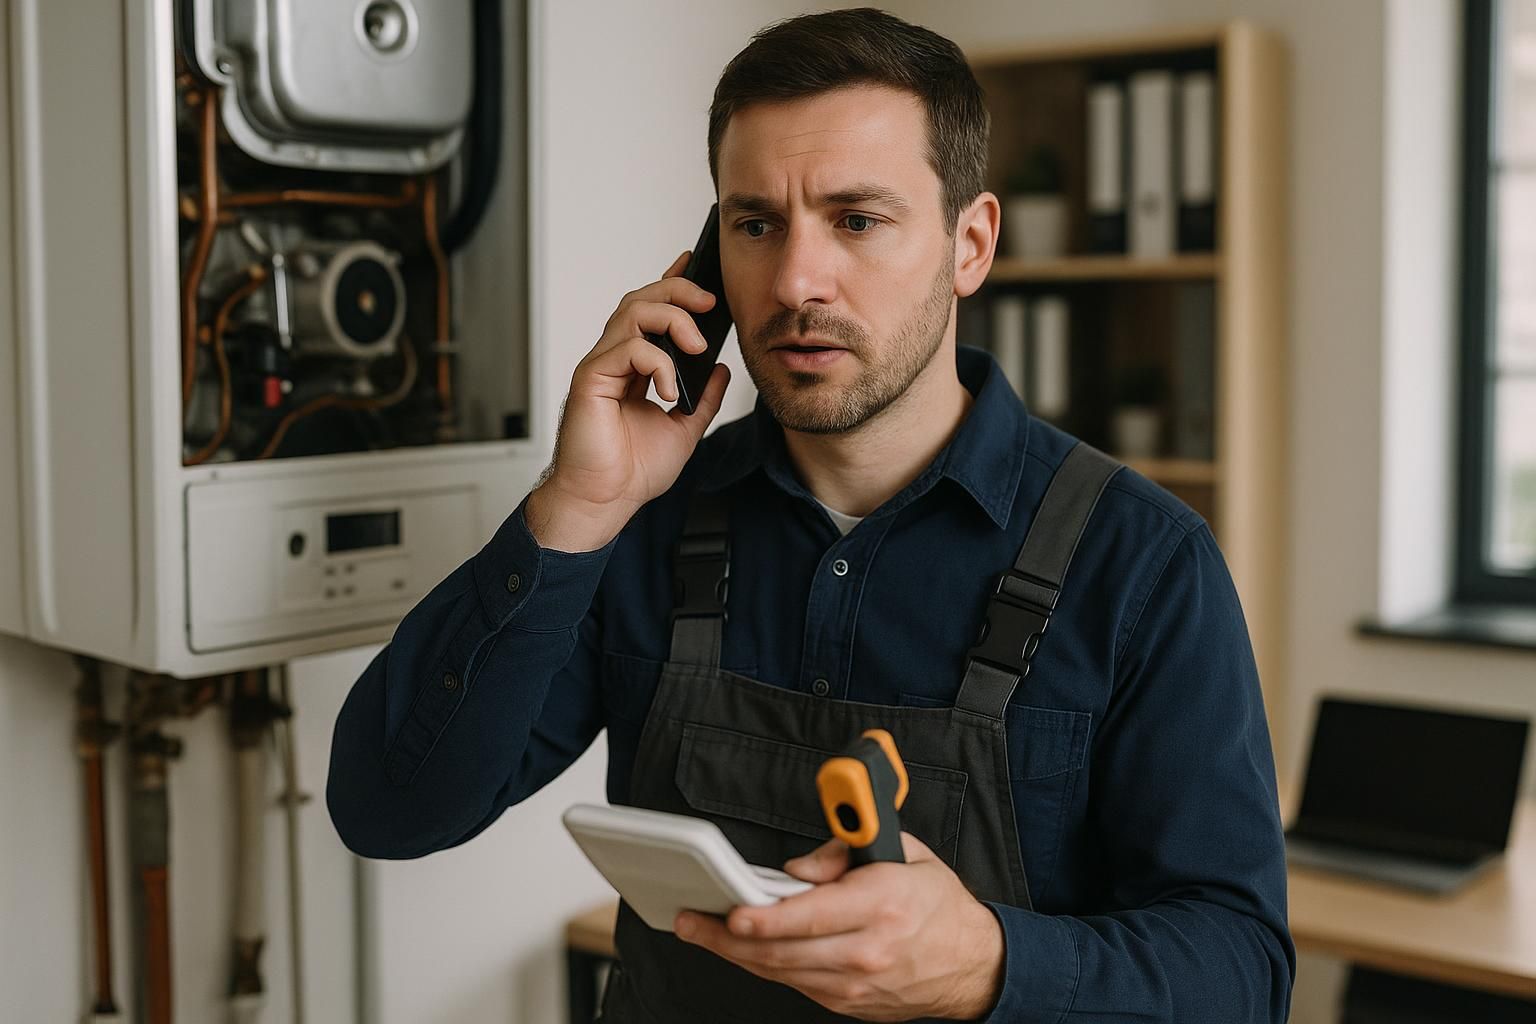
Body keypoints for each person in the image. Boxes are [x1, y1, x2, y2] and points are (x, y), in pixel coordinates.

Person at [327, 8, 1294, 1021]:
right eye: (755, 225)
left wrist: (991, 963)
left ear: (970, 245)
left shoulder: (1143, 565)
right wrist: (576, 506)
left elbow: (1242, 973)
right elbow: (389, 808)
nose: (794, 281)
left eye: (857, 220)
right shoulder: (644, 521)